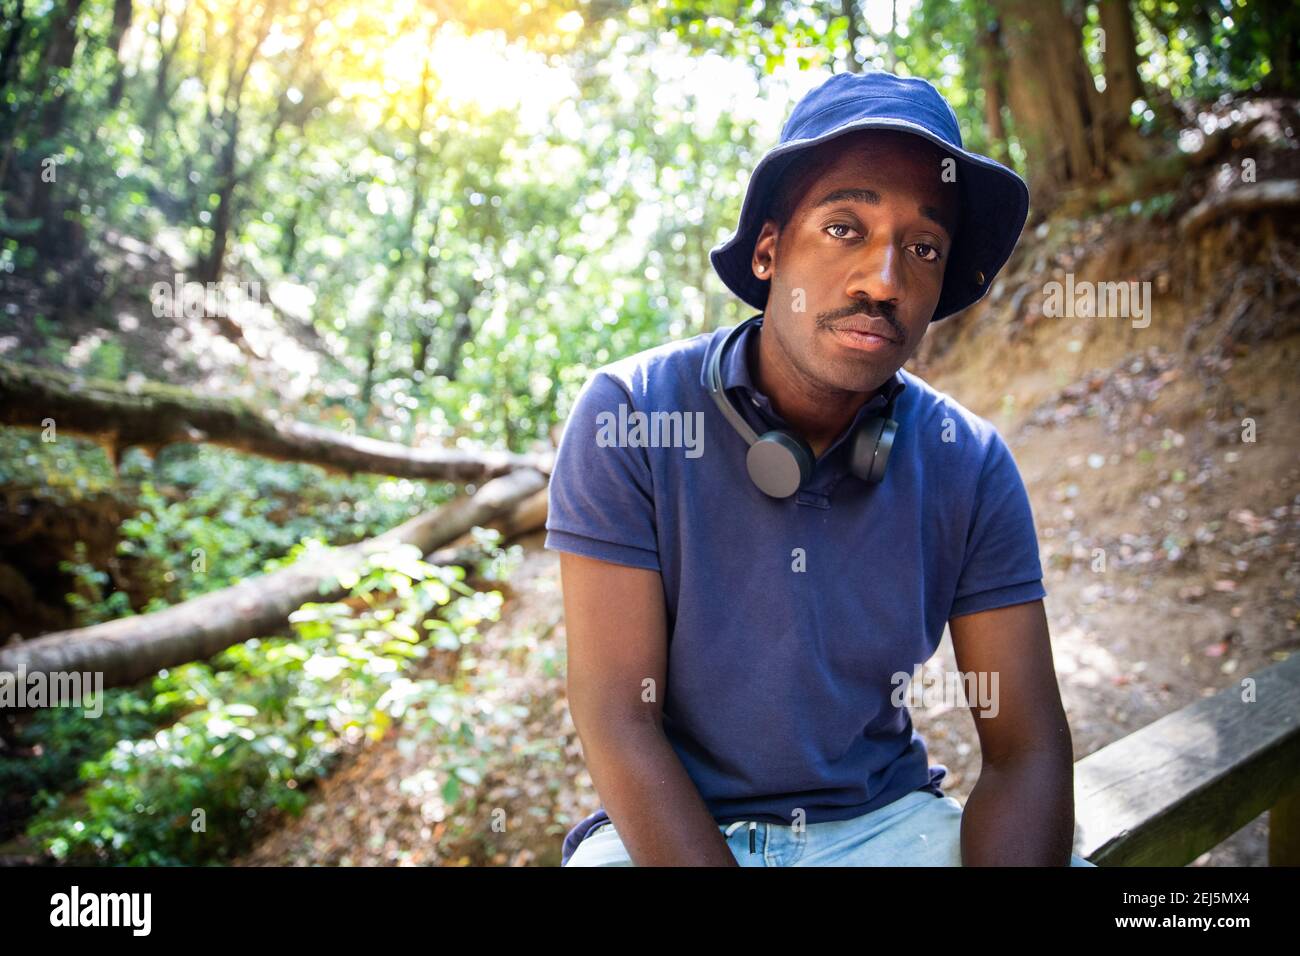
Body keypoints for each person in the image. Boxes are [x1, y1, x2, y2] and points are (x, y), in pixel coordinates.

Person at [545, 70, 1095, 866]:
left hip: (887, 824)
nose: (884, 281)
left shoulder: (968, 464)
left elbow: (1025, 750)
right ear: (769, 250)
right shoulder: (630, 414)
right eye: (845, 228)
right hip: (667, 834)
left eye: (923, 248)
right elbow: (616, 717)